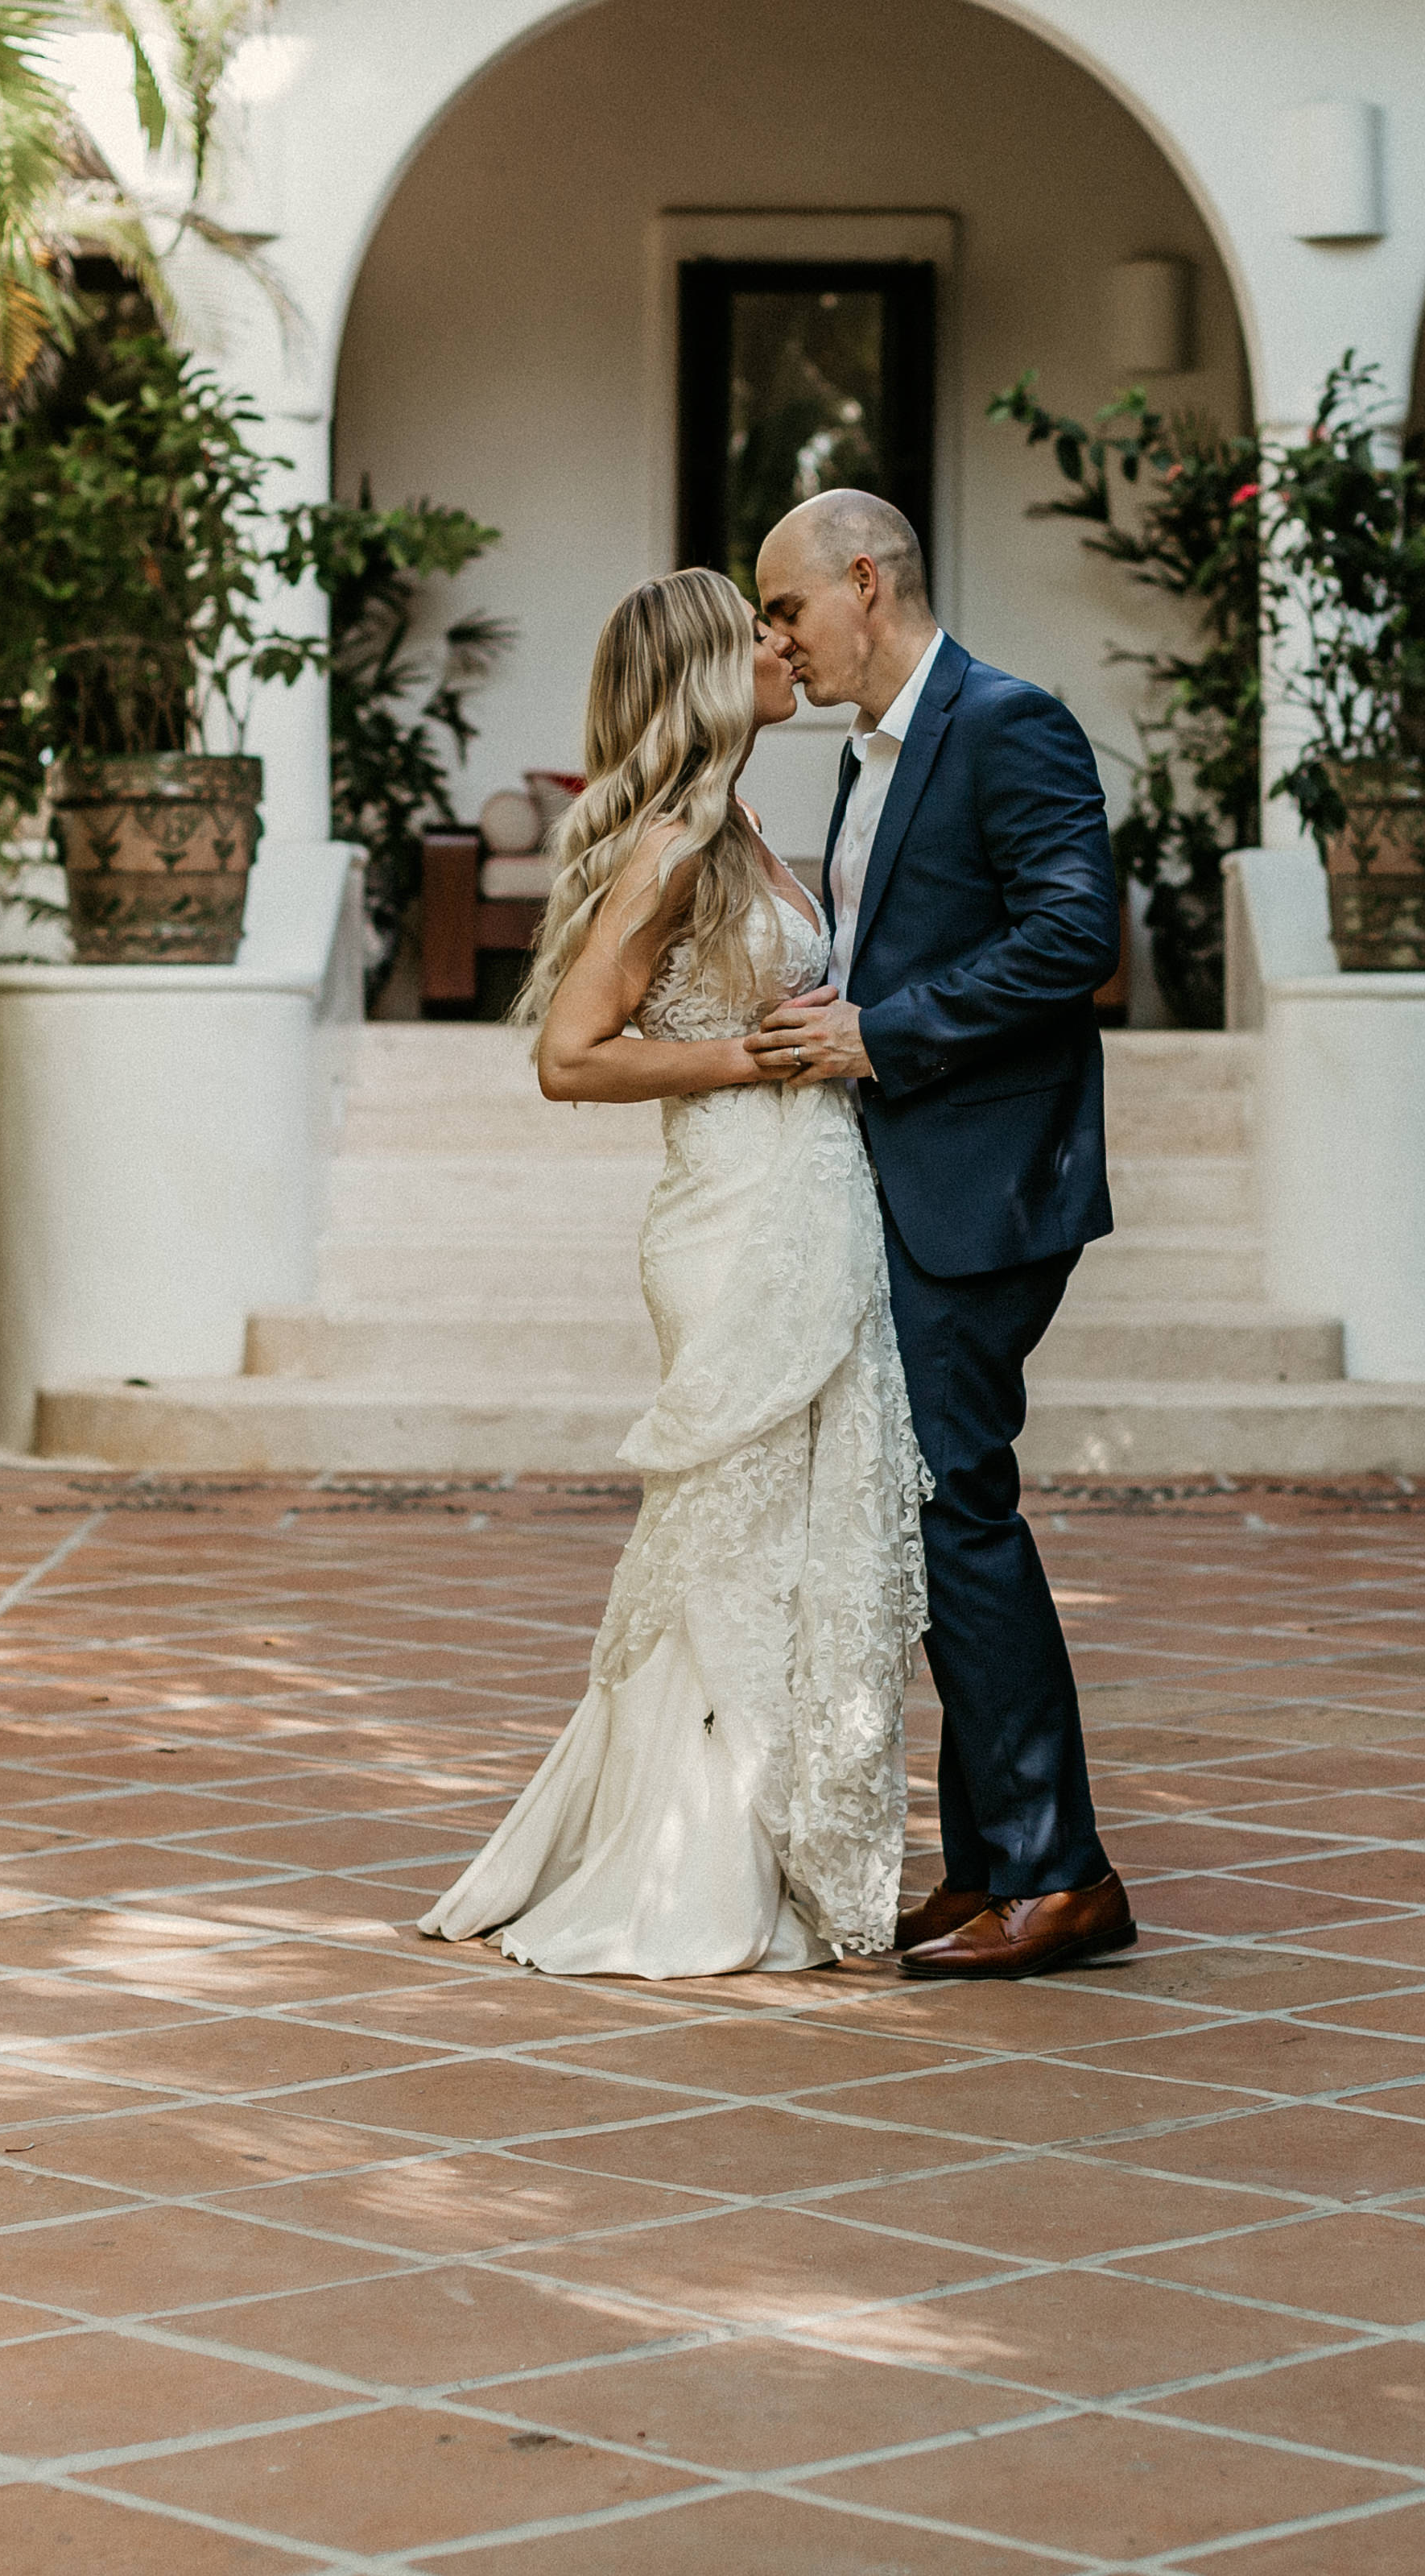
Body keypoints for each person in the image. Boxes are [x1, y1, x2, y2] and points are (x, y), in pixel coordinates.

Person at [419, 568, 926, 1974]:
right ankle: (693, 1863)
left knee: (798, 1546)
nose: (783, 647)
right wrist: (748, 1058)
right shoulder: (675, 842)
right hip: (732, 1211)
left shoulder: (741, 818)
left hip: (809, 1196)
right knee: (732, 1544)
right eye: (756, 634)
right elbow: (569, 1056)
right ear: (704, 672)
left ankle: (773, 1838)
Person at [741, 490, 1133, 1982]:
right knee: (933, 1507)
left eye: (787, 609)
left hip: (989, 1182)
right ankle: (989, 1868)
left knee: (954, 1504)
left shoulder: (1009, 723)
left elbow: (1073, 938)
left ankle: (1062, 1874)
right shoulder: (867, 753)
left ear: (865, 581)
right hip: (905, 1171)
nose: (778, 642)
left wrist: (879, 1035)